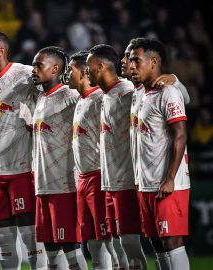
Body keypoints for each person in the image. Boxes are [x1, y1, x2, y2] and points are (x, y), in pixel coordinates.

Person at [0, 31, 46, 270]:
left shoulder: (26, 74)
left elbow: (57, 94)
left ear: (1, 51)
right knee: (4, 244)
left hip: (23, 168)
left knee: (31, 241)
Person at [121, 38, 190, 270]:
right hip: (145, 183)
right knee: (157, 243)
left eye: (136, 60)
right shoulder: (138, 93)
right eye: (130, 60)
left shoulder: (168, 91)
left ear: (153, 62)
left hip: (168, 183)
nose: (131, 65)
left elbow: (180, 134)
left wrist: (170, 177)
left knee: (172, 241)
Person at [86, 44, 147, 269]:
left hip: (126, 181)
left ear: (101, 66)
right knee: (116, 245)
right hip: (109, 183)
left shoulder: (127, 91)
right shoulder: (105, 95)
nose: (86, 72)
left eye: (89, 68)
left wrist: (173, 80)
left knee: (129, 244)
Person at [31, 46, 87, 270]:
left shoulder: (70, 96)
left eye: (38, 65)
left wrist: (172, 80)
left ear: (55, 68)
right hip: (42, 186)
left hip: (65, 186)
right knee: (52, 253)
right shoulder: (41, 97)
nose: (33, 69)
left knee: (71, 249)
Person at [67, 51, 118, 270]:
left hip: (99, 175)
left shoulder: (101, 97)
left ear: (83, 72)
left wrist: (173, 79)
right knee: (93, 242)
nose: (67, 74)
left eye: (70, 69)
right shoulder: (80, 99)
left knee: (110, 242)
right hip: (82, 178)